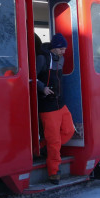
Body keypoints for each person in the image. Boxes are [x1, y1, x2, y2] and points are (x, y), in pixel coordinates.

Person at [36, 33, 75, 185]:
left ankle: (41, 147)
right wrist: (43, 88)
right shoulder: (42, 58)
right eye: (61, 49)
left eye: (64, 49)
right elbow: (32, 76)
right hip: (48, 106)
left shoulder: (61, 59)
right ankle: (54, 172)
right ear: (54, 48)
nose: (63, 52)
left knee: (69, 130)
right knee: (54, 141)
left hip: (60, 103)